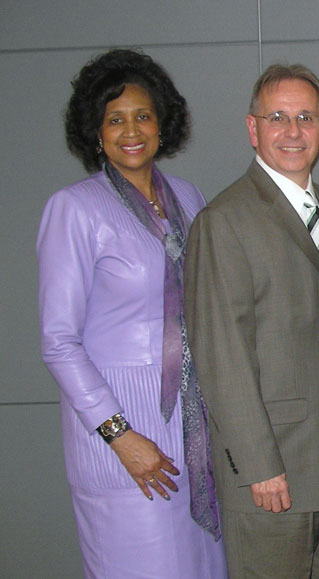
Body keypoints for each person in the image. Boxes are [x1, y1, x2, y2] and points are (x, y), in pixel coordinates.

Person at [37, 48, 226, 578]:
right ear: (94, 131)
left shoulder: (190, 199)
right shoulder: (74, 208)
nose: (131, 130)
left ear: (162, 123)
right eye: (113, 119)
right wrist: (119, 434)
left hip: (194, 441)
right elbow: (58, 341)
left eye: (142, 115)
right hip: (123, 442)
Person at [184, 64, 319, 578]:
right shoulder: (223, 221)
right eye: (277, 117)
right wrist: (260, 466)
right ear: (252, 128)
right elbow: (221, 357)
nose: (292, 131)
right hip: (274, 477)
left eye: (305, 117)